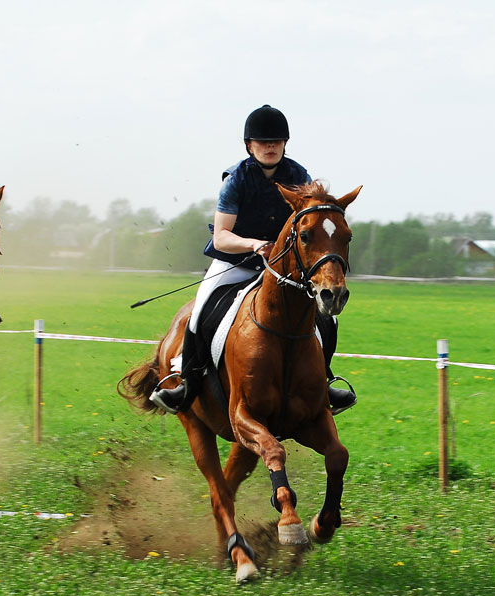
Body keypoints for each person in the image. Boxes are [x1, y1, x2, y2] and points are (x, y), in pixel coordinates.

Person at [149, 105, 356, 415]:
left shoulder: (300, 176)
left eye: (276, 141)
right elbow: (221, 236)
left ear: (285, 144)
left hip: (283, 268)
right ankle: (186, 384)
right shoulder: (236, 179)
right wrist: (254, 244)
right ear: (250, 145)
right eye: (262, 141)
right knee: (200, 312)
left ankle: (322, 382)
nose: (270, 147)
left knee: (328, 317)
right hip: (235, 262)